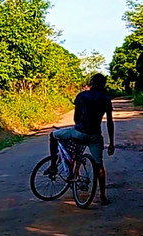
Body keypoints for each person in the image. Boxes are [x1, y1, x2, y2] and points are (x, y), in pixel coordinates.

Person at [48, 73, 115, 205]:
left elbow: (76, 119)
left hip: (79, 132)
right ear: (104, 85)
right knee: (99, 165)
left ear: (91, 83)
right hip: (95, 136)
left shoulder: (81, 96)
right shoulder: (106, 99)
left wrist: (80, 126)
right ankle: (103, 196)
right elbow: (109, 122)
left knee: (53, 135)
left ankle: (53, 166)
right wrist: (111, 143)